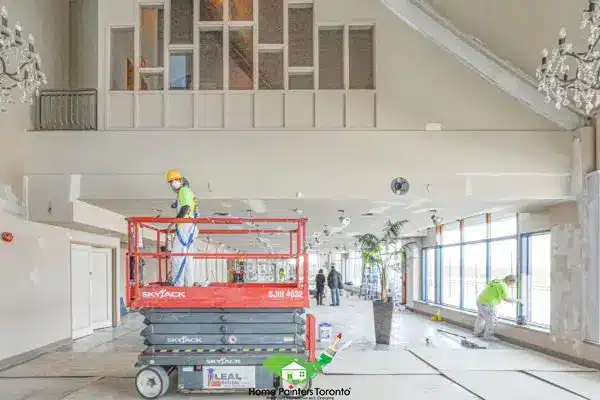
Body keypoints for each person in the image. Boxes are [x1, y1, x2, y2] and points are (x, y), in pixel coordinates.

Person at [165, 169, 197, 287]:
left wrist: (173, 223)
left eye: (174, 180)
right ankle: (188, 285)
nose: (172, 183)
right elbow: (186, 204)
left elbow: (186, 207)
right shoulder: (186, 191)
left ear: (179, 180)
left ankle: (177, 285)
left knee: (177, 256)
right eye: (171, 182)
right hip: (190, 225)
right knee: (187, 257)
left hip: (184, 225)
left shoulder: (184, 190)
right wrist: (176, 203)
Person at [474, 274, 521, 340]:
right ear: (509, 281)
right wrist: (517, 301)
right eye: (512, 284)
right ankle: (488, 336)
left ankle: (477, 332)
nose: (510, 285)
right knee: (492, 320)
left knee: (481, 317)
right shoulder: (503, 285)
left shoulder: (496, 280)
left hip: (480, 300)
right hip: (488, 303)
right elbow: (506, 298)